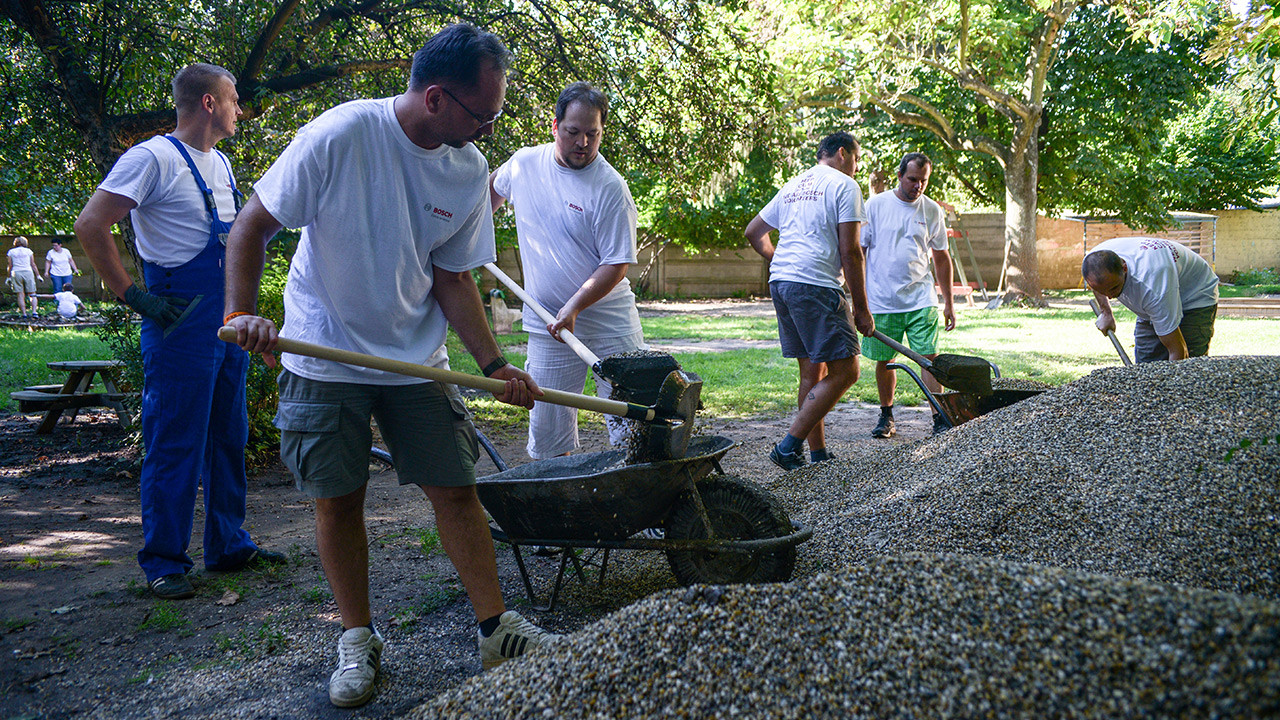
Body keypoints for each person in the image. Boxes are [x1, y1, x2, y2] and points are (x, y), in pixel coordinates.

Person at [222, 24, 560, 708]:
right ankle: (357, 638)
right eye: (483, 114)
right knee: (337, 498)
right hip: (325, 351)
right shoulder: (340, 135)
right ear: (436, 98)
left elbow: (453, 279)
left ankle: (497, 631)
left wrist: (494, 361)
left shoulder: (465, 172)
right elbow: (252, 225)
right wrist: (240, 314)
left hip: (418, 360)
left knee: (455, 488)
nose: (489, 129)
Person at [74, 63, 282, 602]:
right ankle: (164, 560)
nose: (241, 109)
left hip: (228, 320)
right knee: (174, 441)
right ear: (209, 103)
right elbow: (91, 224)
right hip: (180, 320)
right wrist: (134, 296)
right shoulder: (152, 157)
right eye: (234, 99)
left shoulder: (223, 165)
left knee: (227, 435)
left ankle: (228, 544)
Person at [489, 81, 644, 459]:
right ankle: (560, 505)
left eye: (593, 134)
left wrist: (574, 307)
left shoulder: (609, 187)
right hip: (546, 321)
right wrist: (467, 233)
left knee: (633, 427)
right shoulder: (525, 164)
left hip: (608, 322)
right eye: (574, 132)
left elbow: (617, 263)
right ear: (555, 126)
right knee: (548, 429)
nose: (584, 143)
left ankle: (640, 506)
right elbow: (489, 193)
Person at [745, 131, 875, 471]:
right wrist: (861, 308)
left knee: (811, 373)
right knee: (847, 371)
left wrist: (780, 262)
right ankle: (788, 446)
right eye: (857, 162)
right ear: (844, 154)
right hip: (815, 285)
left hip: (782, 284)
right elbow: (851, 251)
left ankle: (817, 455)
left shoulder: (793, 185)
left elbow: (753, 232)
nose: (856, 169)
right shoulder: (845, 186)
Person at [860, 152, 955, 439]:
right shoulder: (875, 206)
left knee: (929, 358)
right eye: (912, 179)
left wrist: (949, 301)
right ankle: (886, 415)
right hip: (882, 299)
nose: (917, 186)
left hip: (921, 298)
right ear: (900, 176)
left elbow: (941, 257)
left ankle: (939, 416)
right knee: (885, 360)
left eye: (923, 181)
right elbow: (859, 252)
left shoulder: (931, 211)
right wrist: (859, 298)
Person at [1083, 236, 1219, 362]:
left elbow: (1178, 350)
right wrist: (1106, 312)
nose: (1110, 297)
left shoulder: (1152, 286)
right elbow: (1098, 284)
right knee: (1147, 363)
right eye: (1103, 291)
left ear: (1124, 267)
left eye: (1114, 288)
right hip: (1159, 291)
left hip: (1195, 294)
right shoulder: (1093, 262)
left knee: (1190, 366)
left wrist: (1176, 382)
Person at [7, 236, 42, 316]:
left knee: (20, 294)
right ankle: (34, 312)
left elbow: (10, 265)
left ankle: (24, 313)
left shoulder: (11, 252)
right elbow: (33, 264)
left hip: (16, 272)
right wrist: (38, 275)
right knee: (32, 293)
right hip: (28, 272)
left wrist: (8, 277)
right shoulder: (28, 251)